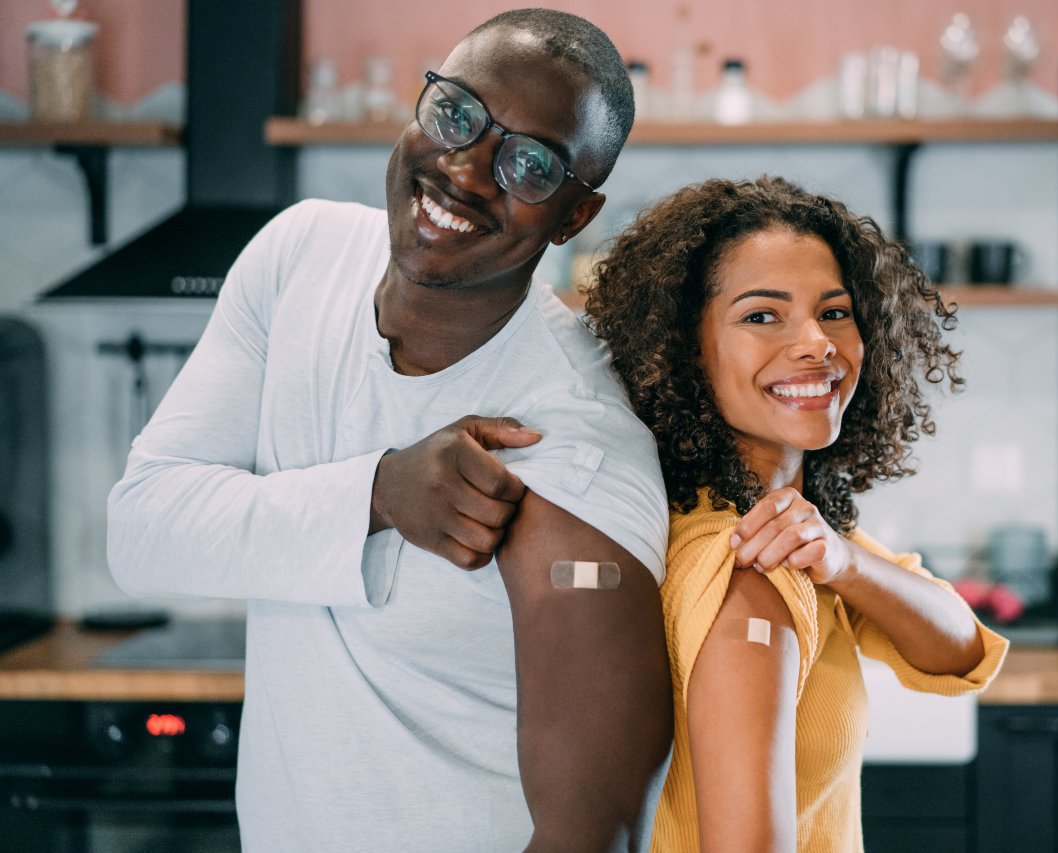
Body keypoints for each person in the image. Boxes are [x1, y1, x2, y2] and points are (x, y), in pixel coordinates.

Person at [107, 10, 673, 852]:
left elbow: (590, 836)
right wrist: (378, 491)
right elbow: (141, 532)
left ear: (573, 217)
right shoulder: (299, 256)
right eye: (457, 115)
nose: (467, 170)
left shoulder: (571, 445)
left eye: (530, 163)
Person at [586, 176, 1010, 852]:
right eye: (762, 315)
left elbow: (961, 648)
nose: (817, 343)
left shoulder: (788, 528)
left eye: (835, 311)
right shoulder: (752, 564)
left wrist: (846, 563)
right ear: (683, 349)